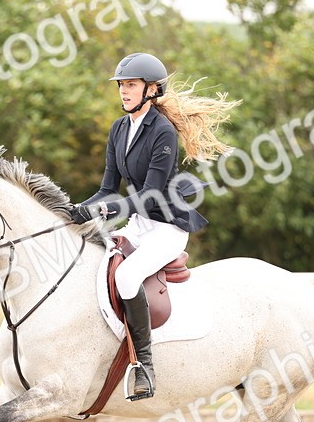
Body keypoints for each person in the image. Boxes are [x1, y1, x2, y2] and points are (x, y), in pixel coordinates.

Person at [68, 52, 237, 401]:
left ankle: (143, 365)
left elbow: (150, 195)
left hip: (166, 228)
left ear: (152, 89)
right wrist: (75, 210)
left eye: (131, 85)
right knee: (91, 263)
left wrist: (103, 210)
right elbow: (107, 189)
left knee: (127, 276)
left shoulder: (162, 132)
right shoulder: (119, 129)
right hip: (138, 223)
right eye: (121, 85)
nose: (123, 91)